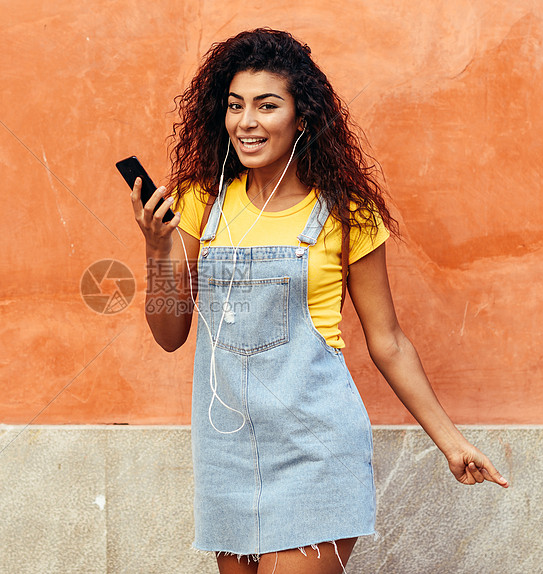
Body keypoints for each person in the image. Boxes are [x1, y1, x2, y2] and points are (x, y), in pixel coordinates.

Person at [129, 28, 508, 574]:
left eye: (267, 105)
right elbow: (169, 335)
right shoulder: (199, 203)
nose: (247, 121)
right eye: (235, 106)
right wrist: (156, 247)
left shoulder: (346, 213)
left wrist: (451, 442)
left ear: (301, 117)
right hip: (227, 453)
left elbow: (389, 341)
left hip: (315, 449)